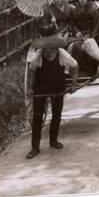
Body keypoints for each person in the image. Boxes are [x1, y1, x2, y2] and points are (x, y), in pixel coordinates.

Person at [24, 27, 78, 160]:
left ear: (55, 46)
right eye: (46, 48)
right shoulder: (38, 54)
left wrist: (74, 84)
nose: (48, 50)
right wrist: (30, 88)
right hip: (41, 88)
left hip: (57, 87)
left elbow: (75, 66)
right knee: (37, 117)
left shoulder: (61, 53)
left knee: (57, 114)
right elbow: (32, 70)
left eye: (51, 48)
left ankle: (53, 140)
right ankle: (35, 147)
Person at [70, 0, 99, 76]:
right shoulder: (74, 10)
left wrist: (92, 36)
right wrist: (76, 32)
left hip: (93, 35)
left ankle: (90, 71)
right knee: (74, 46)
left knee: (88, 44)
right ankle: (80, 70)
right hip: (80, 36)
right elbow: (73, 25)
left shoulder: (94, 10)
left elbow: (98, 26)